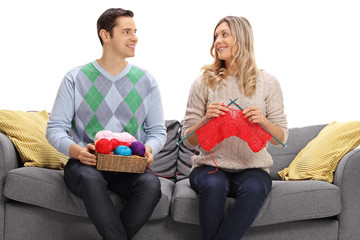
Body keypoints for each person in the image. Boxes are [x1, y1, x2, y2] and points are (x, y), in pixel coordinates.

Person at [46, 8, 167, 240]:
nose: (135, 37)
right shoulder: (75, 77)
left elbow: (157, 131)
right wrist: (79, 152)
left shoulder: (146, 81)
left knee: (151, 185)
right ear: (105, 35)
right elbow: (55, 129)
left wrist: (149, 149)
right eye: (126, 32)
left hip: (129, 166)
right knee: (91, 180)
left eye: (135, 31)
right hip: (85, 165)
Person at [181, 16, 288, 240]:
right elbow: (187, 139)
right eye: (215, 36)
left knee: (256, 188)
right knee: (213, 184)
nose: (217, 41)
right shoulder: (204, 81)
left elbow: (280, 138)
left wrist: (263, 122)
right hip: (209, 167)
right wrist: (205, 120)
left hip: (253, 170)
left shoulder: (268, 83)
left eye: (224, 35)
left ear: (241, 39)